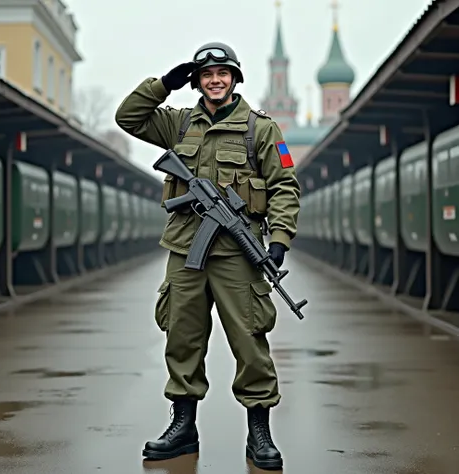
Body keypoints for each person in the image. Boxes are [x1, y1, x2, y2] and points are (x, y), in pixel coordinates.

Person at [115, 42, 300, 470]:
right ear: (196, 81)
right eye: (206, 74)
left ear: (235, 79)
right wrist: (164, 83)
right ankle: (182, 427)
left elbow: (285, 187)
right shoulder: (178, 124)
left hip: (239, 252)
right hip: (185, 250)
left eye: (223, 73)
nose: (215, 80)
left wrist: (279, 240)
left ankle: (260, 433)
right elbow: (128, 117)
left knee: (250, 340)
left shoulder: (262, 129)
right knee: (182, 336)